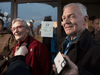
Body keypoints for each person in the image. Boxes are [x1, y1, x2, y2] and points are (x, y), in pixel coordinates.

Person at [52, 3, 100, 75]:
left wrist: (78, 73)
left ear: (85, 19)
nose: (66, 22)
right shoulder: (63, 43)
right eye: (64, 18)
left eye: (71, 17)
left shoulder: (97, 49)